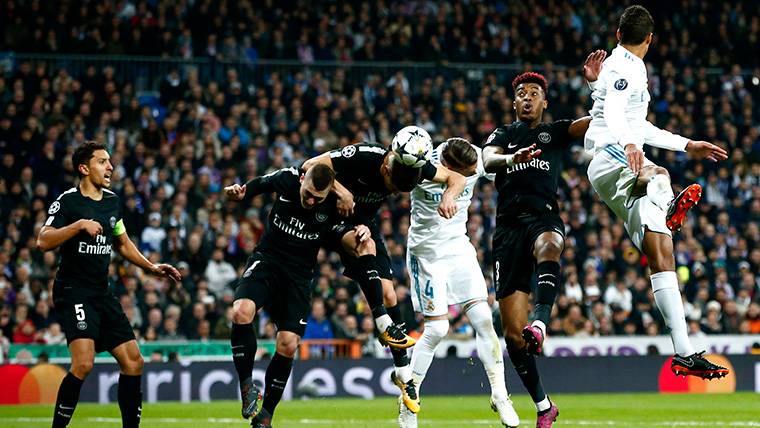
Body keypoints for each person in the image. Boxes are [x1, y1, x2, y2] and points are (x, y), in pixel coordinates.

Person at [584, 5, 729, 379]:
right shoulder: (625, 67)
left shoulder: (621, 67)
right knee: (659, 174)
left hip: (615, 160)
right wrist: (630, 144)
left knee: (661, 252)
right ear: (650, 38)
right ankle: (665, 203)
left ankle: (683, 351)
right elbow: (617, 116)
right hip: (612, 155)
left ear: (618, 34)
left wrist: (685, 144)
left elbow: (629, 118)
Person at [481, 54, 604, 427]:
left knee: (550, 245)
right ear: (514, 102)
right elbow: (486, 160)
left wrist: (596, 87)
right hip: (507, 231)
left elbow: (598, 124)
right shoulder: (503, 135)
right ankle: (543, 405)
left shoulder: (554, 133)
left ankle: (542, 322)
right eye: (522, 93)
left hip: (542, 217)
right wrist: (510, 158)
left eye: (534, 92)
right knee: (512, 336)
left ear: (544, 102)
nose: (528, 97)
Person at [302, 130, 466, 410]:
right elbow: (309, 166)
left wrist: (449, 196)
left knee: (390, 295)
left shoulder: (415, 164)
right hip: (328, 217)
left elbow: (457, 178)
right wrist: (342, 191)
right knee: (362, 247)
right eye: (389, 183)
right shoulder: (364, 156)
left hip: (362, 223)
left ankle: (403, 375)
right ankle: (382, 323)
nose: (389, 189)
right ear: (387, 164)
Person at [223, 164, 381, 428]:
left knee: (288, 343)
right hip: (268, 261)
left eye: (316, 198)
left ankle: (266, 416)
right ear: (302, 179)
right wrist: (242, 192)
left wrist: (363, 229)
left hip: (298, 276)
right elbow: (261, 183)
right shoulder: (287, 179)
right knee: (241, 311)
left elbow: (354, 224)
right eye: (307, 193)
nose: (309, 200)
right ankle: (247, 385)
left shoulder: (335, 203)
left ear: (329, 191)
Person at [37, 142, 181, 428]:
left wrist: (152, 268)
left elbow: (123, 243)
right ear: (84, 168)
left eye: (110, 162)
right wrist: (78, 225)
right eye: (102, 162)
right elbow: (43, 240)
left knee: (134, 362)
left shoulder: (113, 201)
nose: (110, 167)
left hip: (101, 292)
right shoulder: (68, 201)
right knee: (83, 364)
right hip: (73, 291)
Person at [399, 138, 519, 428]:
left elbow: (498, 166)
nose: (472, 174)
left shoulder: (475, 158)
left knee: (483, 318)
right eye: (466, 172)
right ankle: (408, 406)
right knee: (438, 328)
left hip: (458, 248)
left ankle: (500, 394)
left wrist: (516, 159)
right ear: (448, 166)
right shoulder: (421, 166)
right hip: (426, 254)